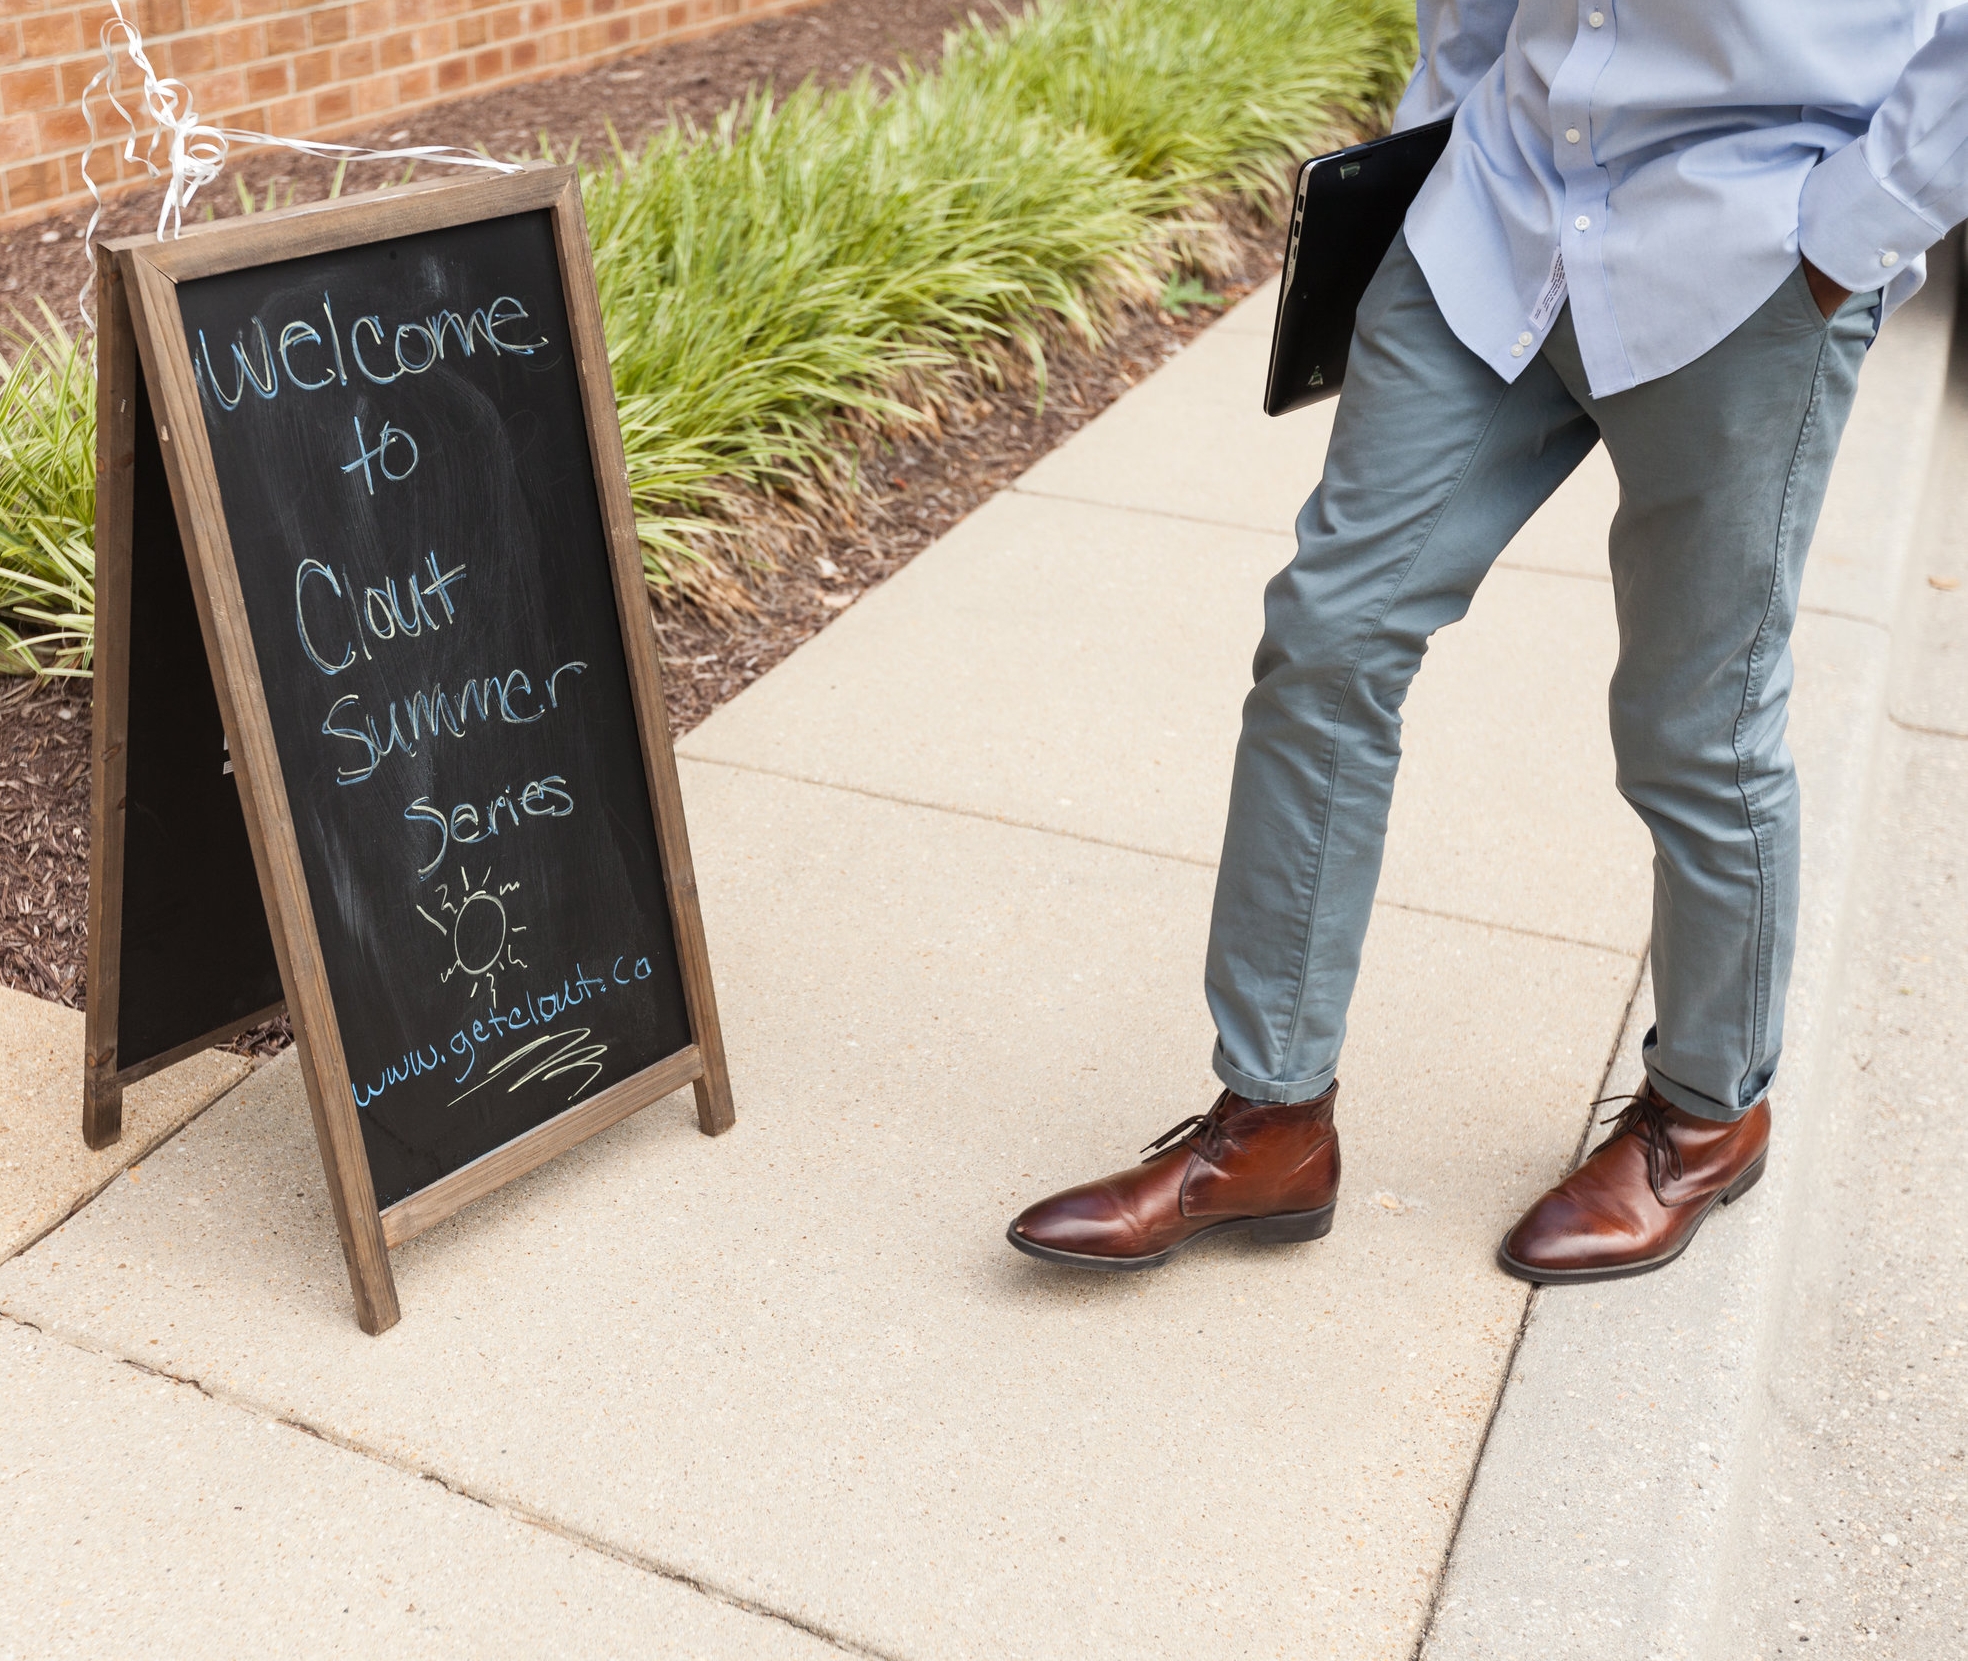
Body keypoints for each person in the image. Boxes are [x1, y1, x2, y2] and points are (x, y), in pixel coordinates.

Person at [1008, 2, 1968, 1282]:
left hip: (1747, 254)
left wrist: (1855, 227)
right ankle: (1272, 1119)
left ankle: (1705, 1111)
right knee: (1328, 633)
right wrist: (1426, 148)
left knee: (1696, 723)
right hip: (1496, 215)